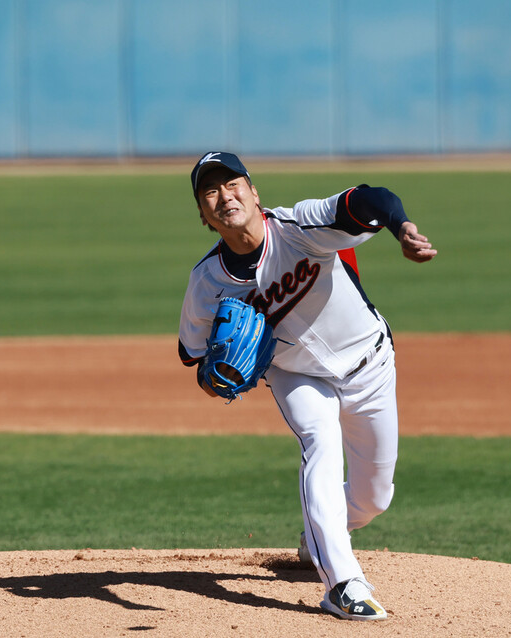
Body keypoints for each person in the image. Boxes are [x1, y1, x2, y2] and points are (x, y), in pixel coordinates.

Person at [177, 151, 437, 621]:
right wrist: (218, 379)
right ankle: (342, 583)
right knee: (319, 441)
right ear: (203, 215)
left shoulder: (298, 227)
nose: (223, 196)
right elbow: (194, 358)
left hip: (370, 361)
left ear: (254, 192)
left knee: (375, 497)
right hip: (294, 373)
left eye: (232, 184)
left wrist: (401, 229)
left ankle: (317, 535)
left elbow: (370, 198)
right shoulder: (206, 282)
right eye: (210, 191)